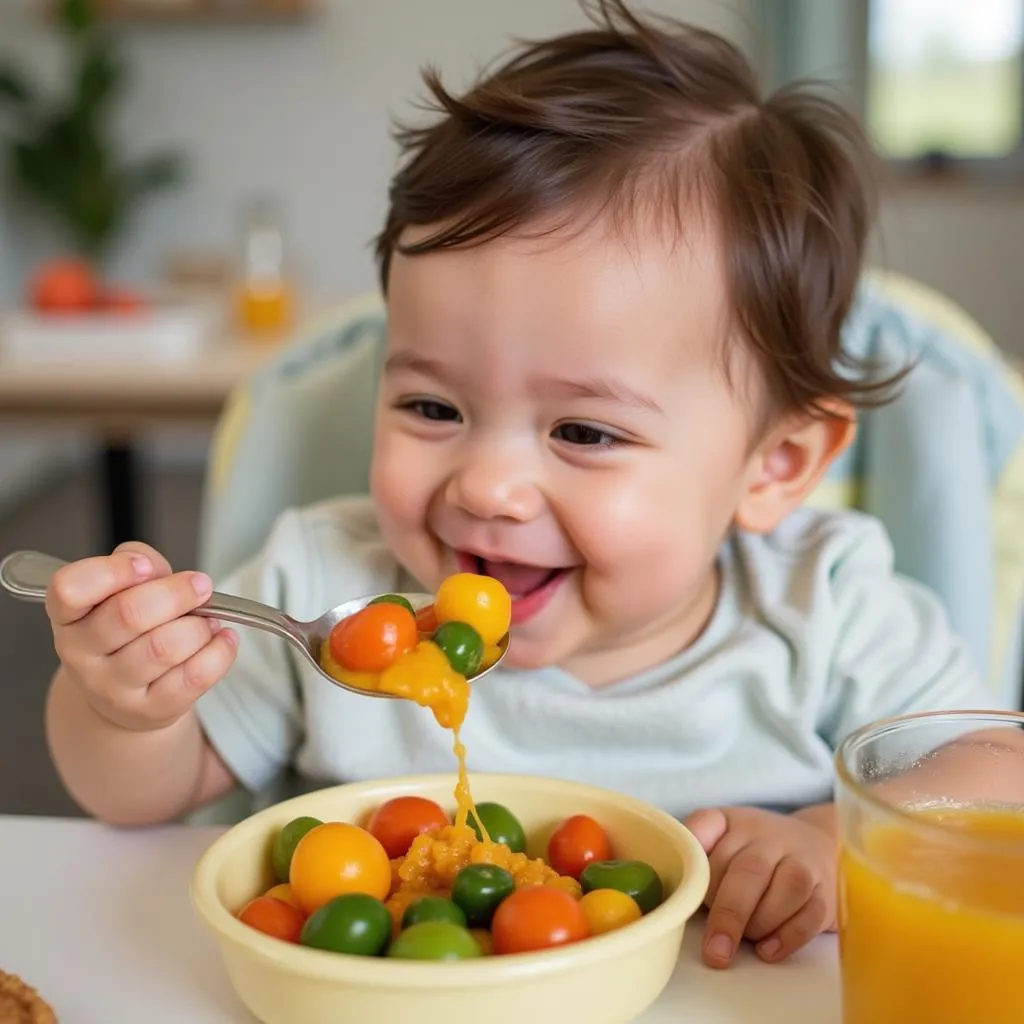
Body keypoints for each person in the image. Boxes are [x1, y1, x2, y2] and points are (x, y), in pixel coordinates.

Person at [41, 0, 989, 970]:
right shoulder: (323, 586)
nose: (488, 486)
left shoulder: (823, 610)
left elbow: (998, 771)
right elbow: (135, 797)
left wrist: (834, 841)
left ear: (773, 466)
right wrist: (126, 707)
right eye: (432, 407)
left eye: (583, 429)